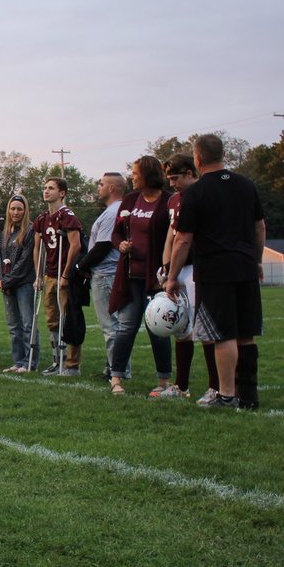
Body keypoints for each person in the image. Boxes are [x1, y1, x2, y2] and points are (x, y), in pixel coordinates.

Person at [165, 133, 266, 410]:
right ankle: (249, 396)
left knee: (223, 334)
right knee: (246, 333)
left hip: (214, 270)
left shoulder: (195, 193)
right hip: (245, 266)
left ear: (197, 159)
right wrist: (257, 261)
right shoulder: (246, 185)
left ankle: (227, 394)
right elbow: (260, 227)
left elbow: (183, 239)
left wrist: (172, 277)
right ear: (223, 154)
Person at [108, 156, 173, 396]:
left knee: (158, 328)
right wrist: (121, 245)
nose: (132, 177)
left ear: (147, 175)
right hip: (130, 276)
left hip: (156, 278)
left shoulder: (168, 201)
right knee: (125, 327)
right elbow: (115, 234)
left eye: (135, 173)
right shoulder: (130, 200)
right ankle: (116, 378)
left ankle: (163, 380)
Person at [157, 153, 220, 402]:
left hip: (199, 267)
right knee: (180, 328)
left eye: (175, 178)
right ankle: (181, 385)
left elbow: (188, 238)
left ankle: (216, 387)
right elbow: (172, 235)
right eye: (169, 178)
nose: (172, 183)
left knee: (203, 329)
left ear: (191, 173)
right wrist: (166, 266)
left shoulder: (203, 195)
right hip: (178, 268)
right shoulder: (174, 200)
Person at [75, 173, 126, 380]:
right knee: (113, 324)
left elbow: (103, 246)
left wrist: (80, 265)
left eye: (102, 184)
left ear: (113, 188)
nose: (99, 187)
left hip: (106, 274)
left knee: (110, 325)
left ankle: (117, 371)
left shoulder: (113, 212)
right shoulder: (113, 211)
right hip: (106, 273)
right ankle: (113, 368)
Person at [33, 177, 83, 375]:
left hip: (64, 274)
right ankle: (57, 361)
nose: (46, 191)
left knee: (68, 318)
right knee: (52, 320)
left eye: (51, 188)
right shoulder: (42, 219)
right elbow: (37, 248)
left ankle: (72, 364)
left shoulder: (67, 215)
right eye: (45, 188)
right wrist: (38, 274)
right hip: (49, 274)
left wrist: (66, 274)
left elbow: (76, 245)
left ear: (62, 193)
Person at [0, 195, 39, 373]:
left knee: (28, 323)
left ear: (25, 210)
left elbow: (25, 260)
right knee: (14, 325)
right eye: (13, 208)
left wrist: (8, 280)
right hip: (8, 284)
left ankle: (30, 362)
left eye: (19, 209)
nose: (15, 212)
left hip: (24, 283)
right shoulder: (6, 231)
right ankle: (18, 361)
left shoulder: (30, 231)